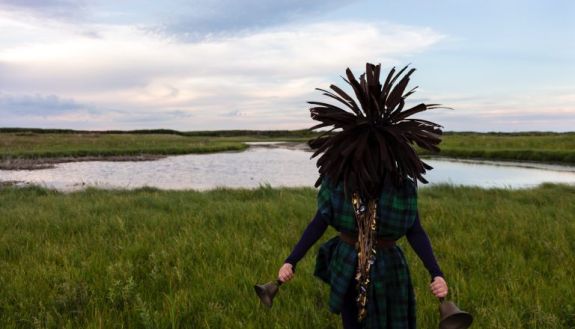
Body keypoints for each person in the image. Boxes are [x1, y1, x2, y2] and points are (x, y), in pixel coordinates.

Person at [277, 63, 449, 329]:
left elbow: (415, 230)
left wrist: (436, 273)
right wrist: (291, 260)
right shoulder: (338, 181)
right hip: (347, 262)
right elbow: (319, 222)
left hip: (388, 269)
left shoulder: (401, 186)